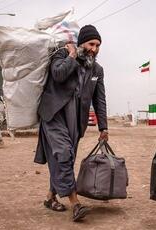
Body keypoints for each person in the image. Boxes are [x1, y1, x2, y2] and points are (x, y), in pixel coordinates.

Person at [34, 25, 108, 222]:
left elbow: (99, 99)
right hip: (54, 114)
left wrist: (104, 127)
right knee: (64, 155)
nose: (95, 48)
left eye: (98, 45)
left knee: (64, 158)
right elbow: (58, 75)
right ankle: (75, 204)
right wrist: (72, 56)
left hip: (76, 121)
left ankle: (50, 197)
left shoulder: (97, 70)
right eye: (92, 43)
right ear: (81, 42)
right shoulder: (63, 54)